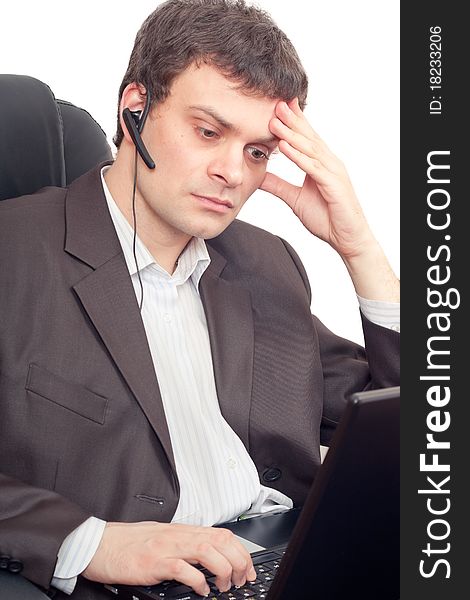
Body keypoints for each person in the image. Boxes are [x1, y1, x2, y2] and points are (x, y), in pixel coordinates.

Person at [0, 1, 399, 599]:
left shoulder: (265, 263)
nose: (232, 172)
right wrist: (93, 540)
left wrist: (360, 249)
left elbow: (417, 428)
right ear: (135, 108)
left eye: (257, 151)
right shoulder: (13, 251)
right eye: (209, 132)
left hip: (287, 561)